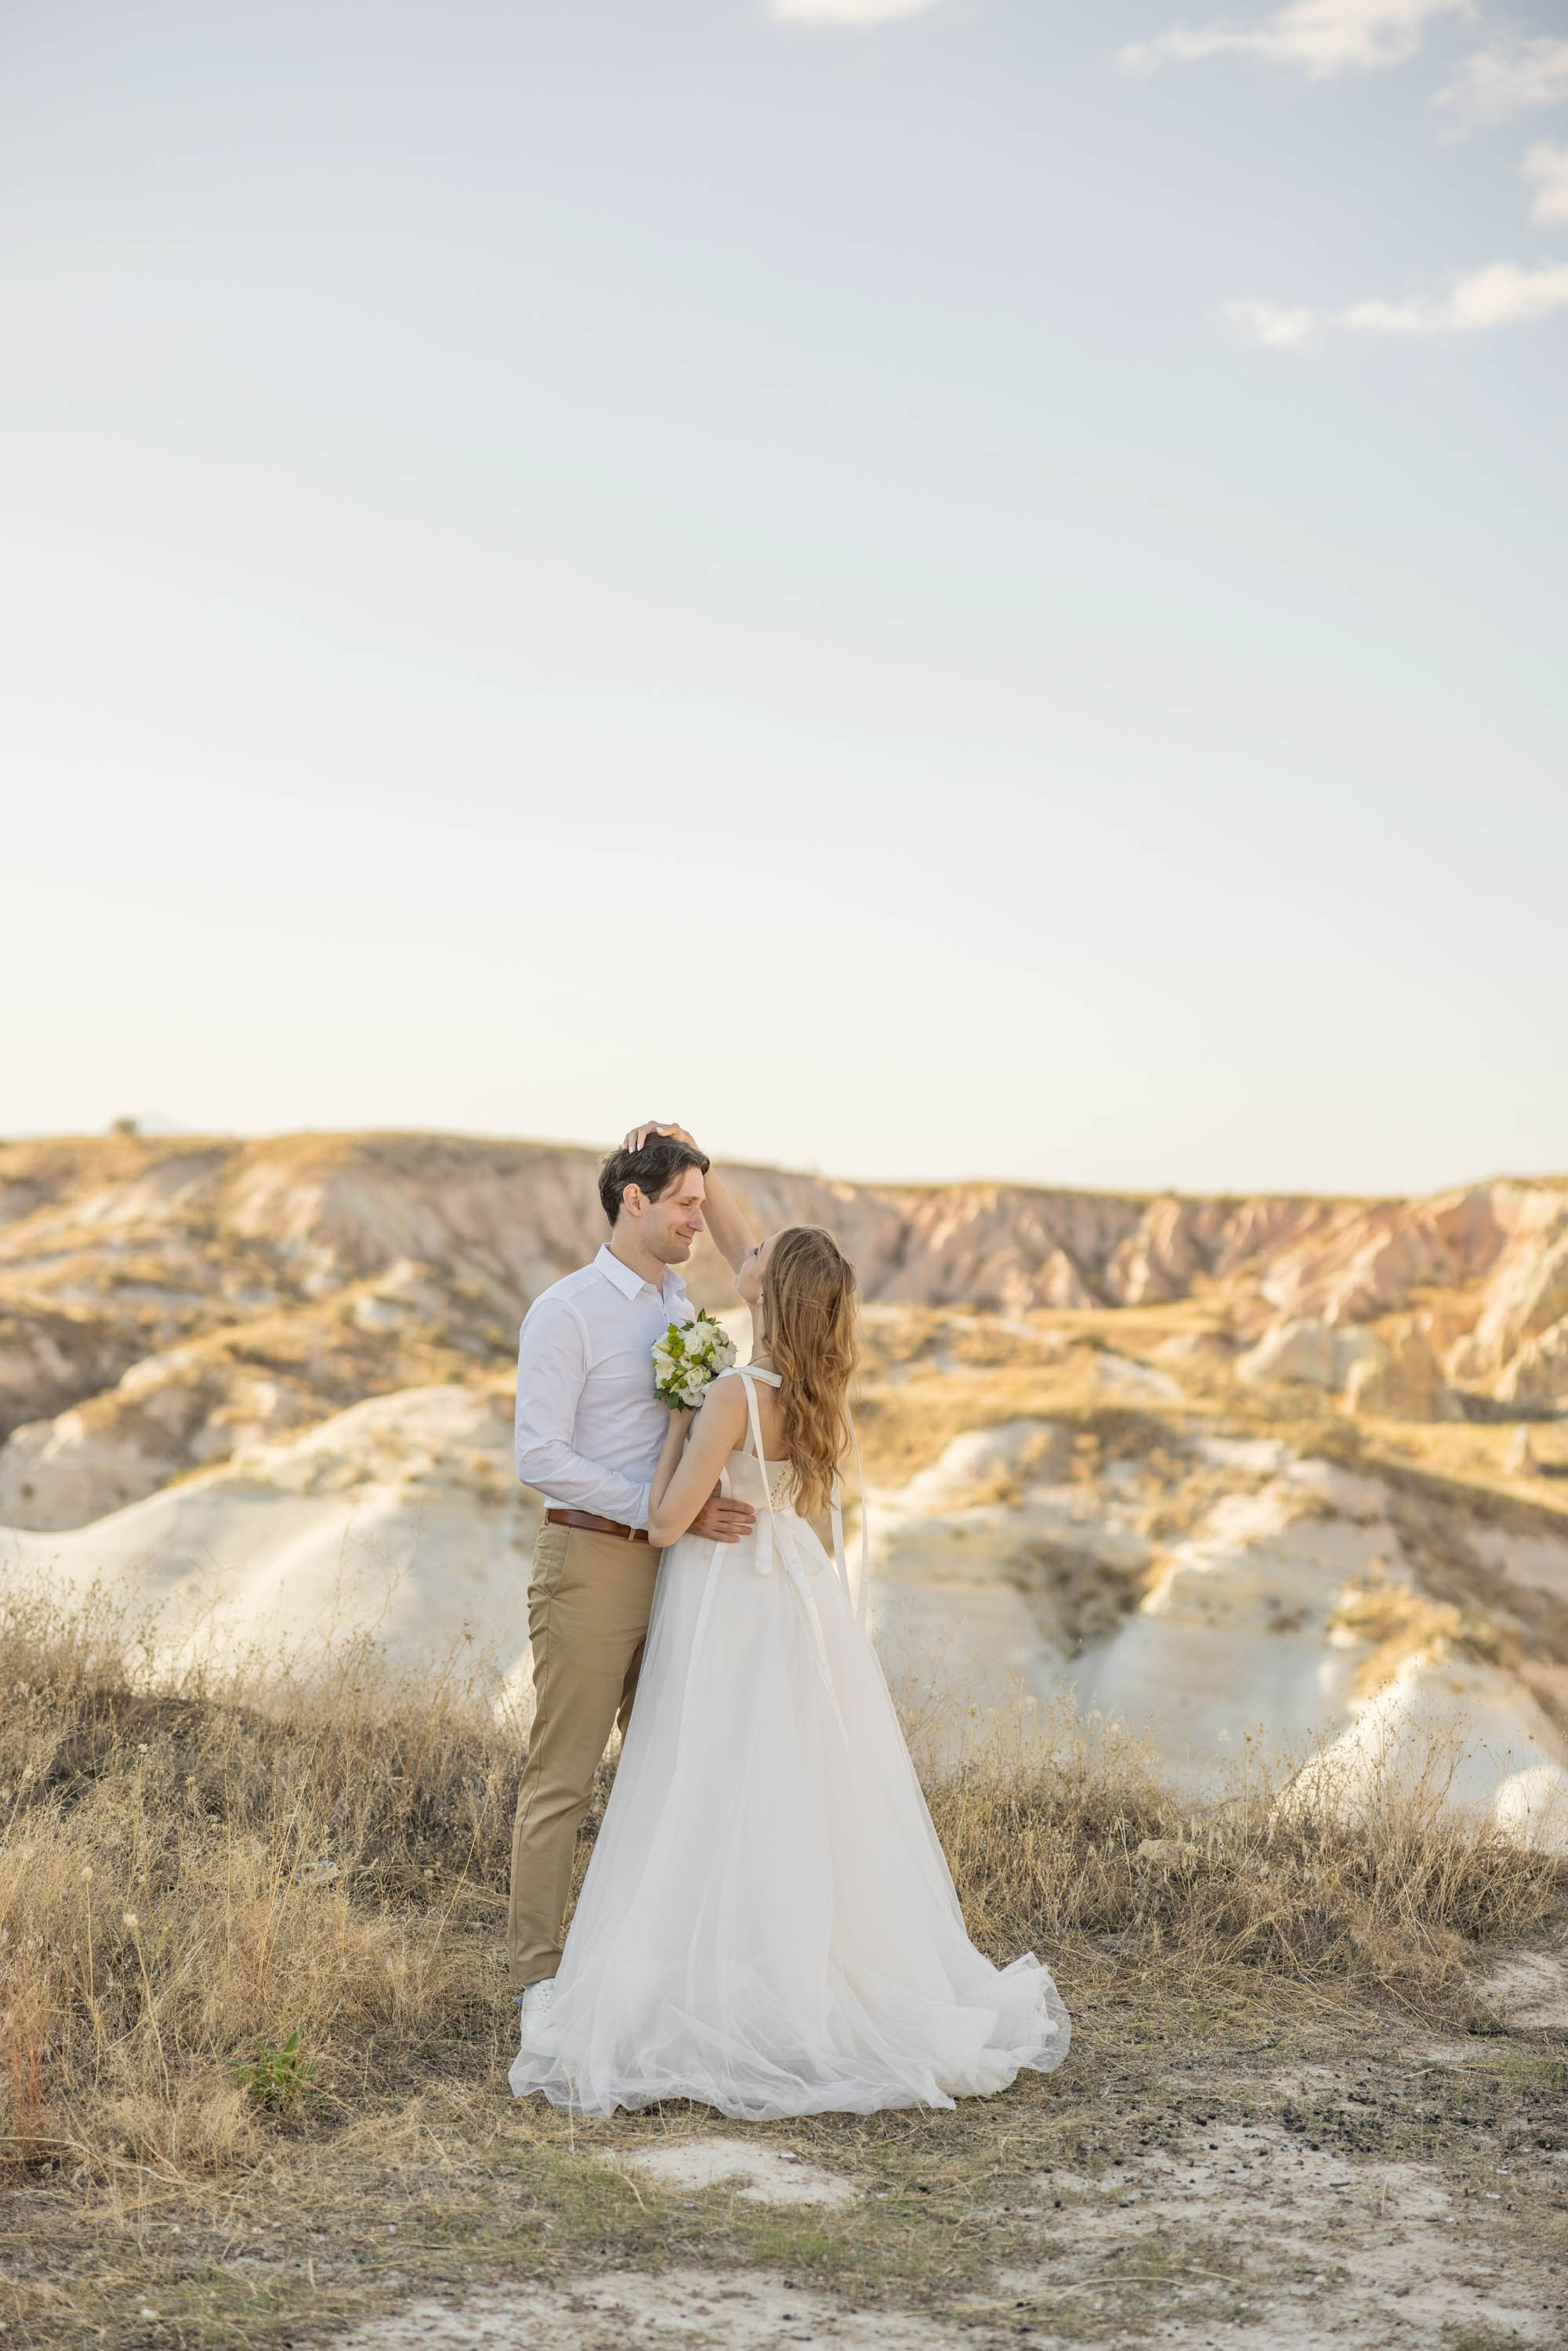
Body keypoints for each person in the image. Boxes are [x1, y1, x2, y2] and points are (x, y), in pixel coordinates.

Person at [510, 1212, 1071, 2117]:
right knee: (781, 1785)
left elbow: (663, 1521)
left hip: (726, 1594)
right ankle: (784, 1968)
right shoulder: (816, 1388)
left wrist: (677, 1426)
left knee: (700, 1776)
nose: (747, 1250)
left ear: (769, 1292)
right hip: (791, 1597)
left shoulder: (733, 1394)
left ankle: (699, 1976)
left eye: (761, 1254)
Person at [507, 1122, 759, 2033]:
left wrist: (695, 1510)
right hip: (592, 1562)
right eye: (685, 1202)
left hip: (680, 1570)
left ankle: (650, 1973)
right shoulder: (566, 1310)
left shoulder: (684, 1308)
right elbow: (540, 1454)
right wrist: (659, 1508)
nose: (700, 1217)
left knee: (673, 1770)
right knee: (563, 1781)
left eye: (703, 1202)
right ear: (634, 1201)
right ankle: (540, 1987)